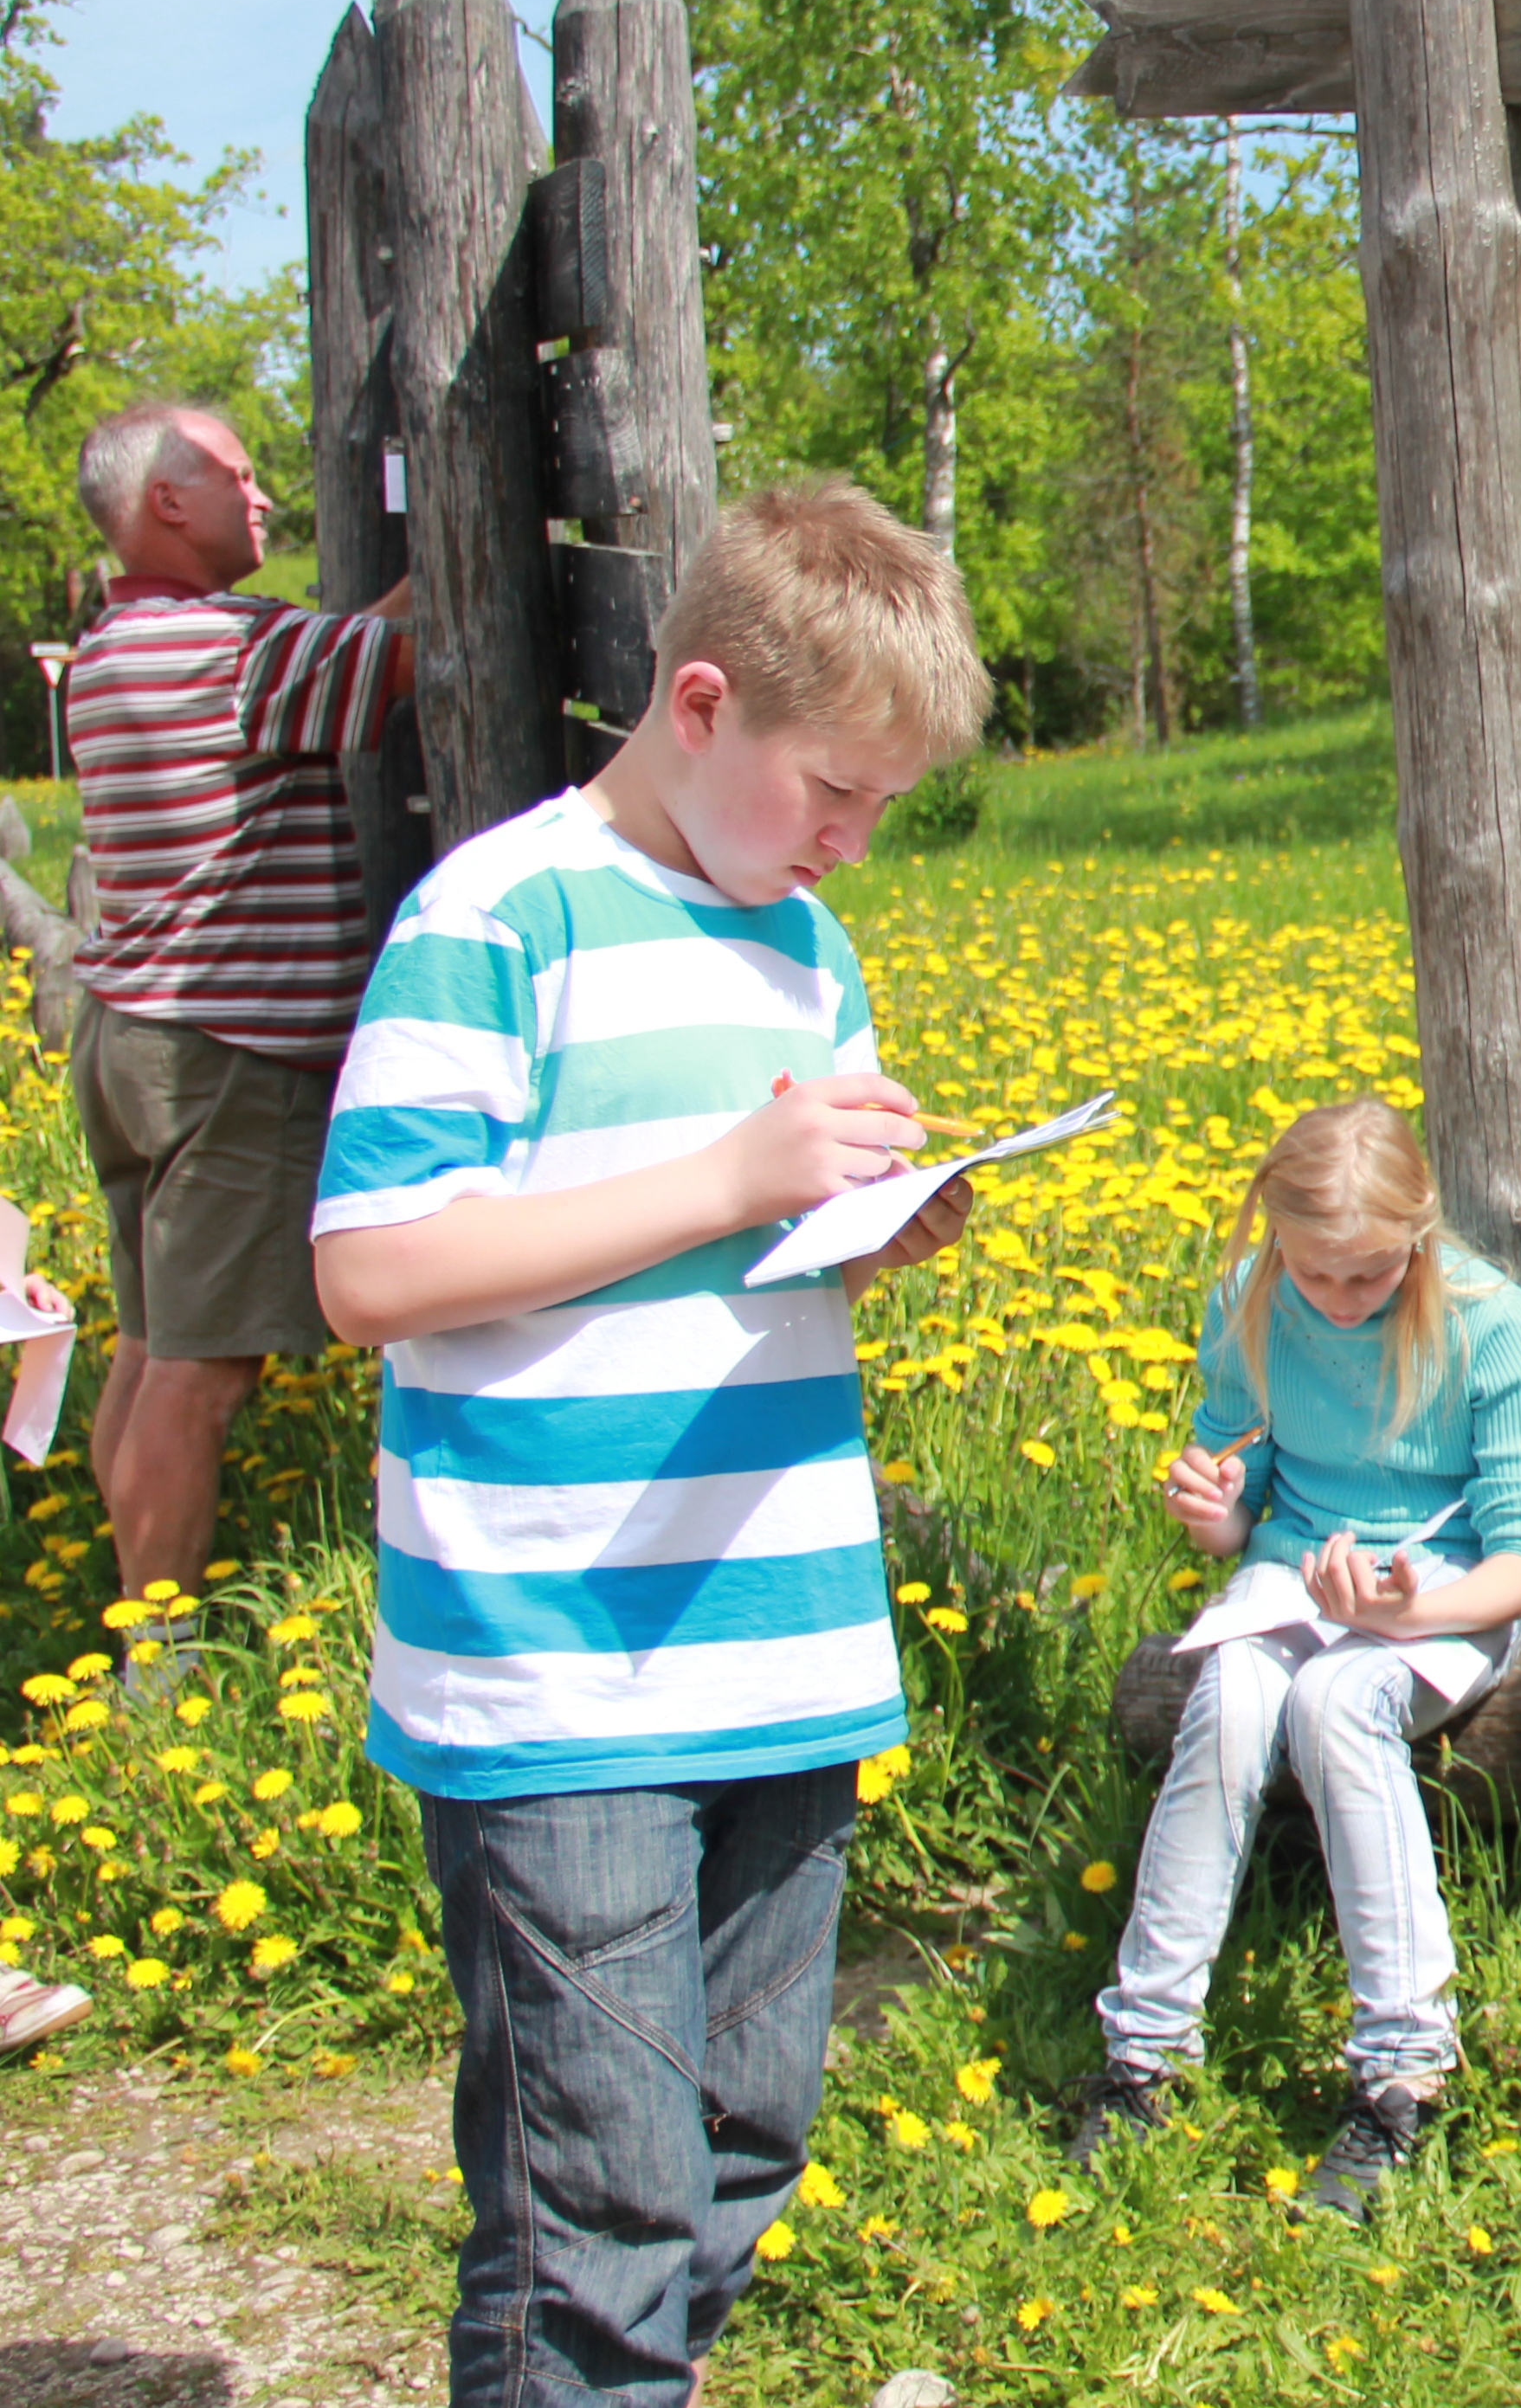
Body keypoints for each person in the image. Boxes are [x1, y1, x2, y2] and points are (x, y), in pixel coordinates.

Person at [309, 481, 985, 2408]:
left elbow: (751, 1249)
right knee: (592, 2192)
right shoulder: (499, 916)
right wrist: (722, 1176)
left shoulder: (807, 948)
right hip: (555, 1665)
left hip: (778, 1650)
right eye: (831, 789)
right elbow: (369, 1272)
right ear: (700, 705)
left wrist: (867, 1222)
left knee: (738, 2143)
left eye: (882, 808)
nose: (853, 838)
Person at [1070, 1098, 1521, 2218]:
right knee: (1235, 1696)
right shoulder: (1249, 1304)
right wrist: (1211, 1510)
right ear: (1272, 1239)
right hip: (1296, 1574)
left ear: (1421, 1237)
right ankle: (1145, 2049)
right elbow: (1240, 1502)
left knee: (1341, 1700)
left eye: (1371, 1277)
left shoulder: (1490, 1319)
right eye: (1317, 1277)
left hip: (1446, 1585)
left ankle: (1402, 2068)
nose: (1342, 1300)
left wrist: (1405, 1617)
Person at [64, 401, 412, 1608]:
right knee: (202, 1377)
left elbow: (330, 654)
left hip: (133, 1041)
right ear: (168, 500)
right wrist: (465, 518)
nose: (262, 498)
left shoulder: (115, 651)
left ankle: (127, 1613)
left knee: (155, 1348)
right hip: (229, 1053)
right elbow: (399, 652)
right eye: (239, 476)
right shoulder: (231, 650)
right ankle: (157, 1672)